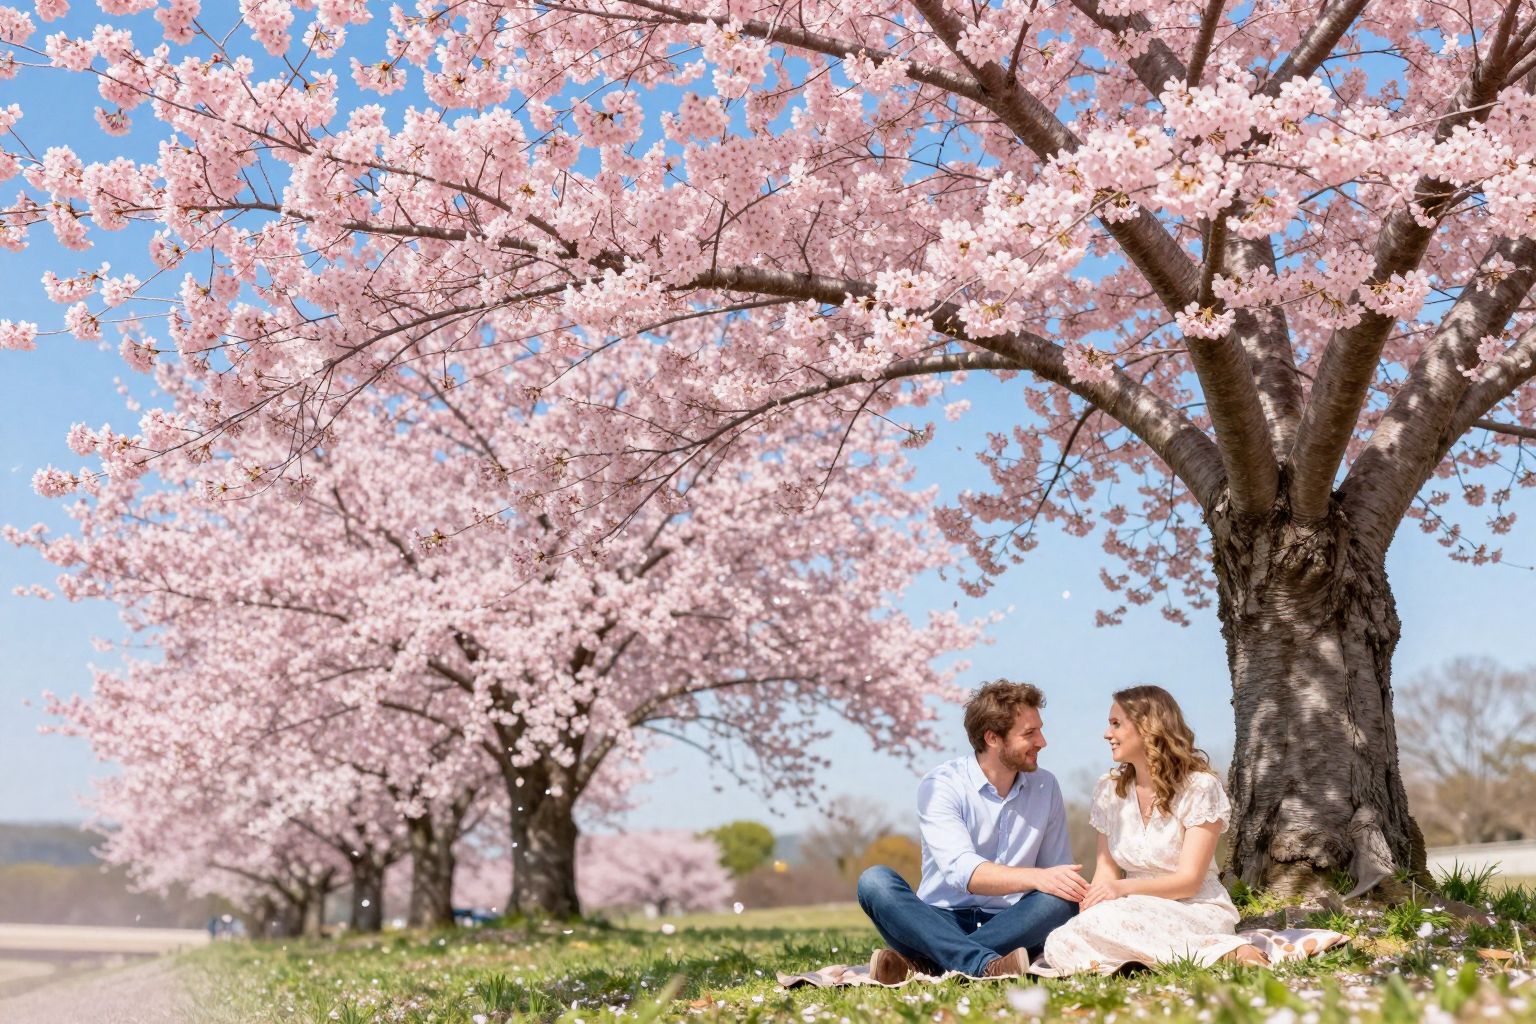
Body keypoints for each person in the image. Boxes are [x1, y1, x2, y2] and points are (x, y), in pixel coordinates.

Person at [856, 680, 1082, 983]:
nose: (1042, 741)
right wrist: (1037, 877)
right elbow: (964, 873)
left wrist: (1068, 885)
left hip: (1011, 921)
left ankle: (931, 965)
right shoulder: (941, 784)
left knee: (1061, 899)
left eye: (1039, 730)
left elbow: (1055, 873)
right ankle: (985, 964)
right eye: (1030, 733)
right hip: (937, 919)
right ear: (992, 738)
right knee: (874, 882)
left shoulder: (1046, 786)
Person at [1033, 685, 1269, 975]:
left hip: (1193, 907)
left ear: (1148, 727)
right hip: (1129, 908)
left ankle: (1220, 949)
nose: (1107, 734)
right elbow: (1105, 873)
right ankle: (1188, 957)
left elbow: (1189, 881)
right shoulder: (1108, 790)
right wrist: (1091, 903)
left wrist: (1120, 889)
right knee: (1061, 941)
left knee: (1101, 926)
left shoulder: (1199, 787)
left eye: (1116, 724)